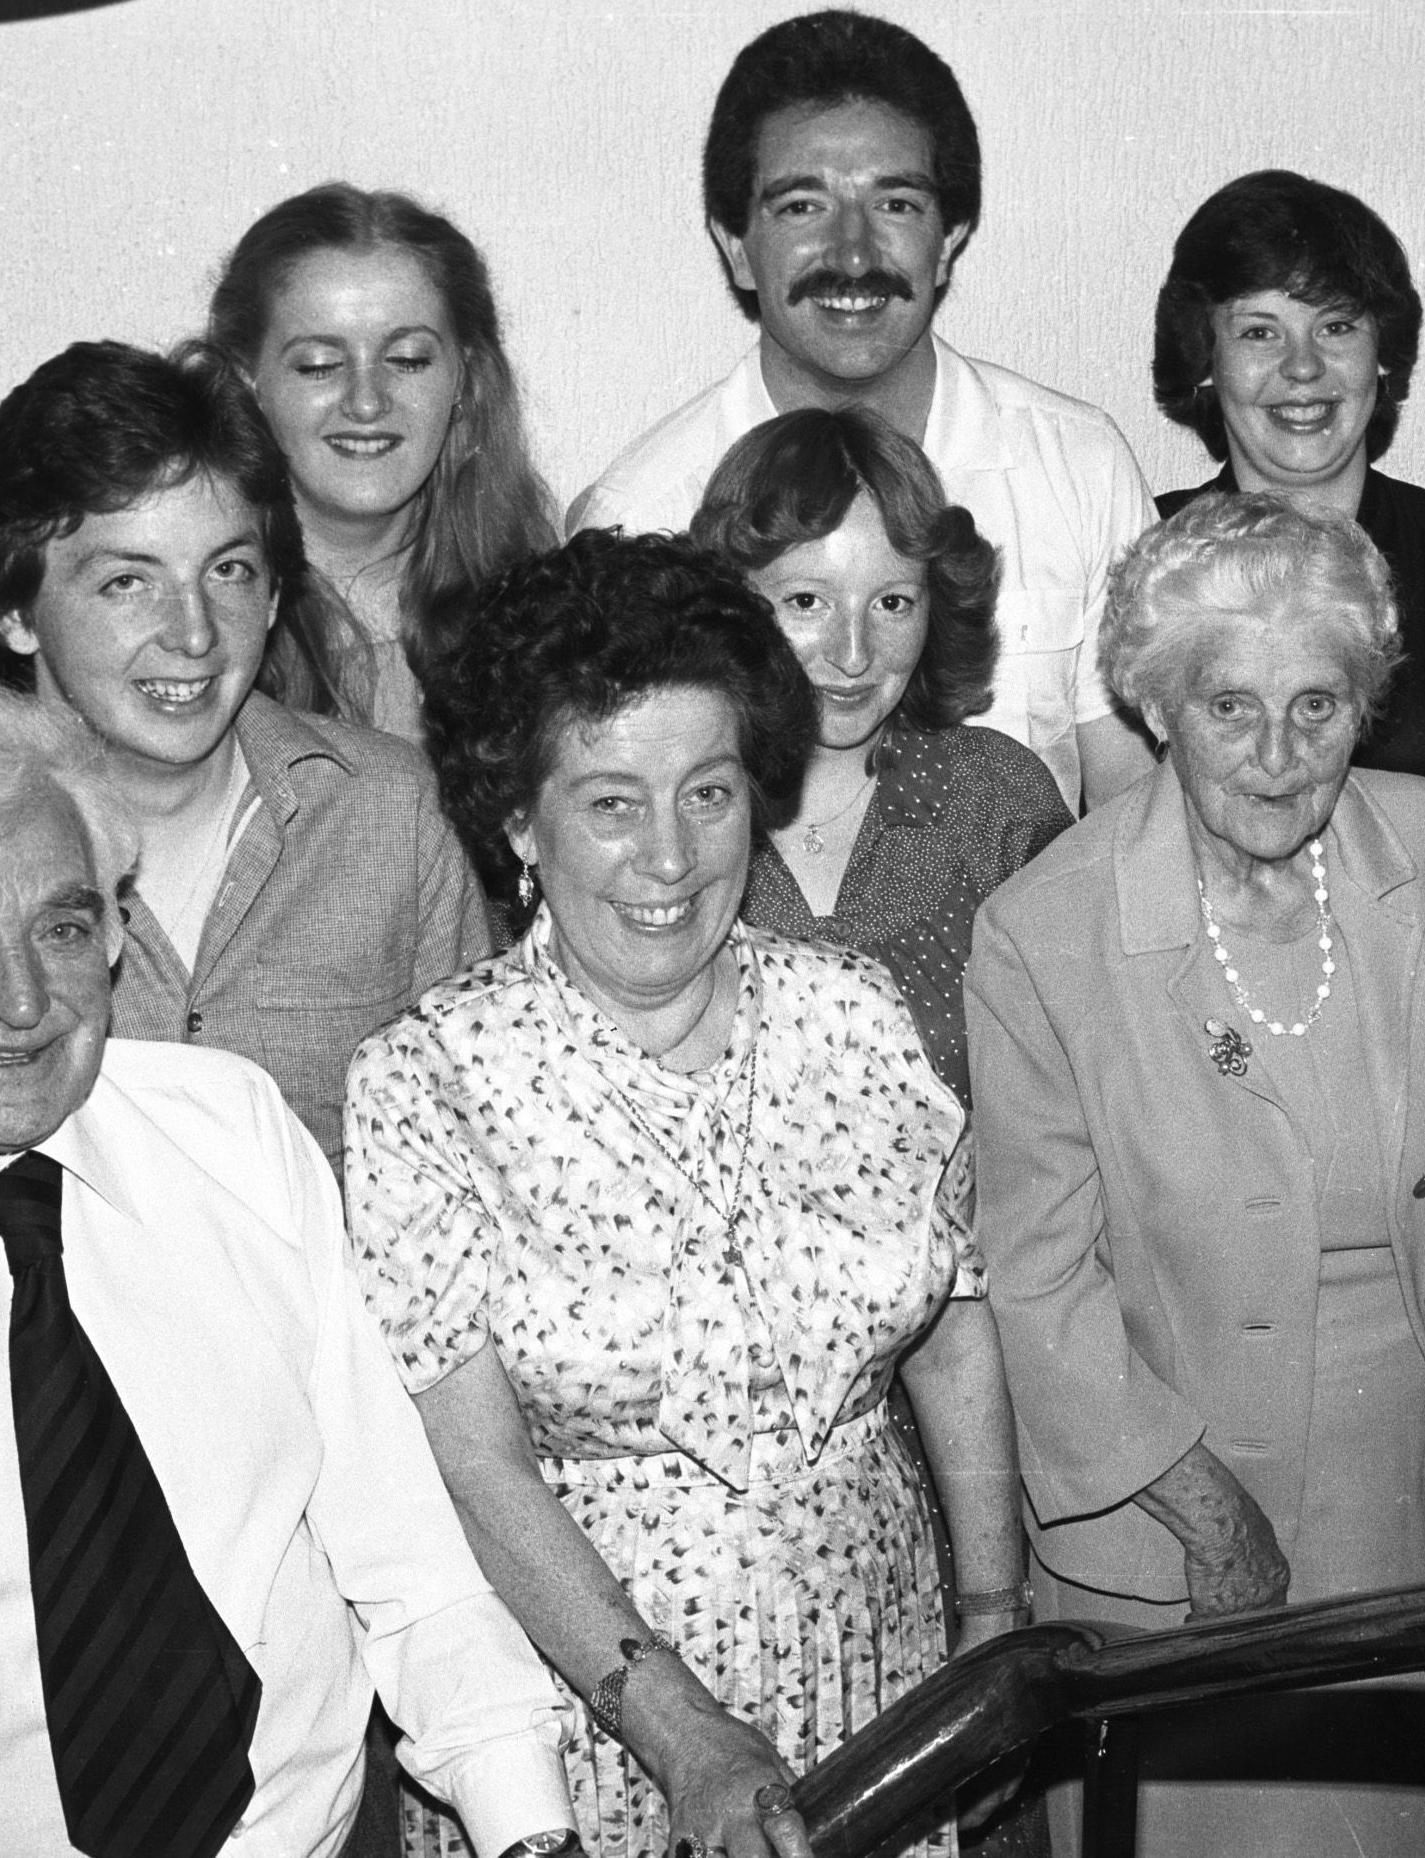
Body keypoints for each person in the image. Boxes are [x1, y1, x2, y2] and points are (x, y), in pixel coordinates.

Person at [0, 689, 575, 1858]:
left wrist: (528, 1831)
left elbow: (410, 1565)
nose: (22, 999)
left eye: (65, 928)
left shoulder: (229, 1134)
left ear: (119, 933)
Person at [344, 531, 1024, 1858]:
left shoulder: (852, 1012)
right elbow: (472, 1468)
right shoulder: (429, 1079)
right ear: (517, 821)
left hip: (873, 1677)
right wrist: (685, 1734)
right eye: (610, 802)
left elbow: (951, 1315)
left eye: (707, 792)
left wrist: (988, 1618)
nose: (669, 855)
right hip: (592, 1721)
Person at [966, 494, 1425, 1858]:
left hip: (1404, 1484)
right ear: (1159, 707)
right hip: (1176, 1515)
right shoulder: (1046, 932)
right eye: (1231, 708)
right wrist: (1200, 1503)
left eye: (1319, 706)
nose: (1279, 757)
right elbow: (1038, 1281)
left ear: (1369, 703)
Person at [0, 340, 488, 1179]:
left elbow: (477, 1167)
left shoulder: (392, 815)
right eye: (128, 582)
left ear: (275, 593)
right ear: (15, 610)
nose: (193, 633)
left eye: (229, 571)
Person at [572, 8, 1152, 813]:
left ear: (949, 238)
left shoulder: (1077, 464)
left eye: (896, 205)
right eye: (802, 207)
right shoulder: (640, 515)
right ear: (735, 246)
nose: (852, 254)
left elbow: (1135, 812)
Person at [692, 407, 1070, 1103]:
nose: (854, 653)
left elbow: (1087, 1084)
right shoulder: (672, 804)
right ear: (730, 603)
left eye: (892, 603)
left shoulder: (996, 803)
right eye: (807, 601)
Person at [1151, 169, 1425, 791]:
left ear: (1382, 351)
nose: (1302, 367)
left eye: (1335, 327)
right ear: (1204, 360)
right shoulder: (1147, 543)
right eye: (1258, 332)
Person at [209, 180, 560, 741]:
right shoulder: (197, 629)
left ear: (463, 376)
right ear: (250, 383)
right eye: (319, 365)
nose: (367, 401)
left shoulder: (547, 616)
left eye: (407, 359)